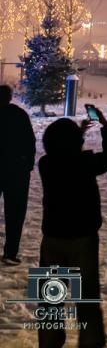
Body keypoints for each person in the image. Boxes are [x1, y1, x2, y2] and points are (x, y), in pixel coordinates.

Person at [37, 109, 107, 348]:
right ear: (75, 143)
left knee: (49, 300)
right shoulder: (85, 163)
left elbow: (65, 152)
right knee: (87, 300)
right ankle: (91, 342)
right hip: (83, 238)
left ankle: (49, 343)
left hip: (52, 238)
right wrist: (106, 125)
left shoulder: (46, 164)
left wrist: (79, 133)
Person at [0, 84, 36, 265]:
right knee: (15, 213)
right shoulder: (19, 115)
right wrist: (27, 165)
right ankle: (10, 252)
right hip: (16, 171)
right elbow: (30, 141)